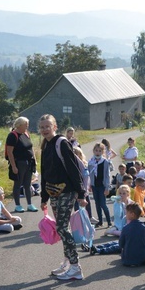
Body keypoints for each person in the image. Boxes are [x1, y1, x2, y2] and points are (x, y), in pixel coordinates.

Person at [39, 114, 88, 280]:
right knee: (63, 228)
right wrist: (43, 198)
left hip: (67, 191)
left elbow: (74, 170)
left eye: (48, 126)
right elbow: (44, 173)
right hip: (53, 192)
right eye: (42, 127)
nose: (45, 129)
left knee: (61, 228)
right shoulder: (45, 146)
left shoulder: (62, 143)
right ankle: (68, 262)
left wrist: (81, 193)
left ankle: (75, 267)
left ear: (54, 127)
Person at [5, 116, 37, 213]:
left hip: (28, 162)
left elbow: (31, 149)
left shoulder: (26, 134)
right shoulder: (12, 136)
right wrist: (14, 166)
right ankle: (18, 205)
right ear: (20, 125)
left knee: (28, 184)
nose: (27, 126)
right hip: (19, 163)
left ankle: (29, 204)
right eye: (25, 124)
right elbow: (10, 152)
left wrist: (35, 160)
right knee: (18, 184)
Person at [88, 142, 112, 228]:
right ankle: (100, 221)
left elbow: (107, 175)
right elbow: (89, 174)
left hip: (102, 185)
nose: (97, 152)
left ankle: (109, 221)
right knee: (97, 204)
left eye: (99, 151)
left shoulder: (105, 162)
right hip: (95, 185)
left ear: (102, 152)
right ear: (94, 151)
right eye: (96, 150)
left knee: (103, 204)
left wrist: (107, 187)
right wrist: (89, 184)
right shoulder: (91, 161)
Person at [72, 146, 95, 223]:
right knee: (77, 205)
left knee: (87, 204)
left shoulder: (84, 164)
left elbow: (88, 176)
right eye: (74, 154)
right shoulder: (73, 166)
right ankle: (79, 219)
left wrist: (90, 185)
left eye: (78, 154)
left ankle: (89, 217)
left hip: (86, 188)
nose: (76, 156)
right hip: (78, 189)